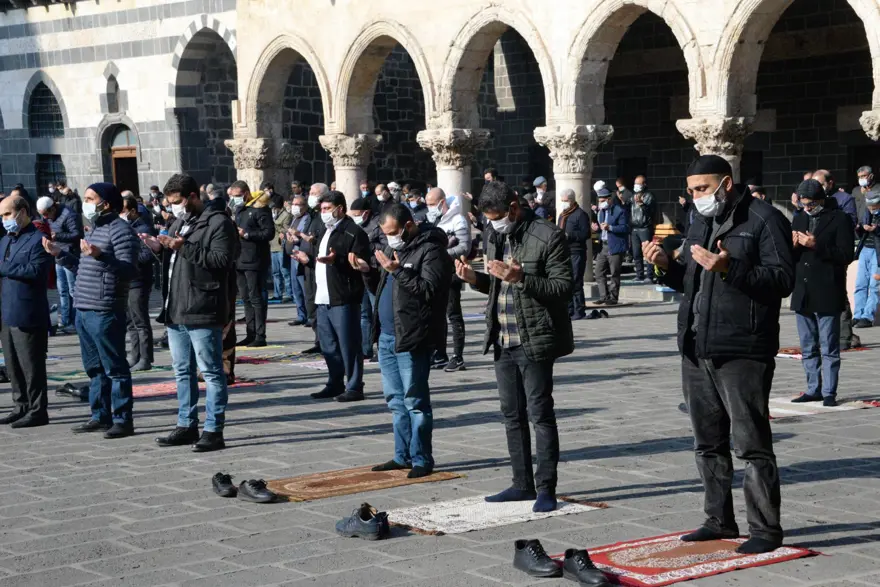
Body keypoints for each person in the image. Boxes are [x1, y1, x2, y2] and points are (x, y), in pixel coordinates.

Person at [643, 154, 794, 554]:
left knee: (751, 443)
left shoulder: (764, 219)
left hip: (743, 348)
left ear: (726, 184)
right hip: (697, 346)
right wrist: (664, 266)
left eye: (703, 189)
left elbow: (782, 278)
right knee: (707, 441)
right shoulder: (699, 221)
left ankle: (764, 528)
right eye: (691, 190)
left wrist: (731, 269)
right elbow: (691, 280)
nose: (696, 197)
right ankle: (718, 520)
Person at [455, 181, 573, 513]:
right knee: (511, 415)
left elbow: (564, 289)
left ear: (514, 207)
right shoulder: (494, 235)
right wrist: (474, 279)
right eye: (487, 219)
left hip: (534, 338)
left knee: (540, 415)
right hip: (502, 338)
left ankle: (546, 487)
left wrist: (521, 278)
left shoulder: (547, 235)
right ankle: (522, 484)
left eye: (497, 217)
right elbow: (495, 287)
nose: (493, 224)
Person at [352, 203, 452, 477]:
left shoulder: (431, 250)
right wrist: (367, 271)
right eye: (386, 234)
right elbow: (381, 288)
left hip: (412, 336)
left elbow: (430, 290)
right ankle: (402, 455)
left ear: (408, 226)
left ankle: (421, 459)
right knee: (395, 400)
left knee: (415, 400)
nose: (389, 238)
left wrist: (399, 271)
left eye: (393, 232)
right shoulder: (391, 248)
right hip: (386, 335)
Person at [145, 174, 237, 452]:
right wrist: (159, 249)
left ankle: (213, 430)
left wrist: (184, 247)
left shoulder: (219, 222)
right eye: (170, 203)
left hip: (203, 307)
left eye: (178, 202)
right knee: (182, 371)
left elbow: (221, 261)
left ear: (193, 197)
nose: (174, 207)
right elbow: (175, 262)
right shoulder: (179, 222)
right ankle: (186, 424)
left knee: (210, 371)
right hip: (176, 308)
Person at [44, 183, 139, 439]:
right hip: (84, 308)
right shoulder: (96, 229)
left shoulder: (120, 231)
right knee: (94, 368)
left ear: (105, 203)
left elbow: (129, 270)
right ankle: (100, 415)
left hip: (105, 309)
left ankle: (122, 419)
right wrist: (60, 255)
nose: (84, 202)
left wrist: (100, 256)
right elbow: (84, 268)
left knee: (115, 368)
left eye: (89, 198)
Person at [291, 191, 371, 401]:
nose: (323, 213)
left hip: (344, 296)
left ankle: (354, 386)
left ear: (340, 209)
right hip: (322, 296)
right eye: (322, 209)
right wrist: (307, 259)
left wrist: (338, 261)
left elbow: (360, 263)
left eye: (327, 209)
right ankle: (335, 382)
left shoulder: (353, 232)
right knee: (328, 345)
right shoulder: (323, 230)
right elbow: (320, 260)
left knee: (349, 344)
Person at [790, 180, 853, 407]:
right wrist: (794, 246)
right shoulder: (799, 218)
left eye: (811, 204)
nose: (807, 208)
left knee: (829, 345)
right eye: (803, 204)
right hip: (803, 290)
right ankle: (812, 388)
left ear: (820, 200)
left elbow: (845, 254)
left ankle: (829, 392)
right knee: (807, 345)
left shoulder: (839, 219)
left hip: (827, 288)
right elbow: (791, 256)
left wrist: (816, 244)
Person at [0, 195, 53, 428]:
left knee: (31, 365)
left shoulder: (38, 239)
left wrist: (4, 267)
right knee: (12, 364)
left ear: (22, 212)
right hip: (7, 310)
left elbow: (37, 271)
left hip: (28, 311)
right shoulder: (6, 240)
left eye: (8, 214)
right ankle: (19, 404)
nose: (4, 220)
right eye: (2, 216)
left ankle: (37, 410)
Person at [425, 188, 471, 372]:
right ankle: (439, 353)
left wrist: (440, 254)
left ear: (442, 202)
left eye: (431, 204)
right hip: (435, 273)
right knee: (436, 314)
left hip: (451, 273)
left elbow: (464, 247)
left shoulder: (457, 219)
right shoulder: (433, 220)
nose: (429, 208)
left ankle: (458, 356)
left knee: (453, 314)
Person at [231, 181, 274, 347]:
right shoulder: (241, 210)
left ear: (246, 193)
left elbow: (268, 233)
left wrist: (247, 234)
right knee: (246, 298)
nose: (235, 199)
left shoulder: (260, 209)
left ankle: (260, 335)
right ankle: (250, 333)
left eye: (237, 195)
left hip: (255, 260)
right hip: (240, 259)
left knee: (256, 298)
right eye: (232, 196)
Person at [36, 196, 82, 334]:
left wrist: (58, 236)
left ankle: (76, 322)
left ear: (53, 208)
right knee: (62, 291)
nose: (45, 217)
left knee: (73, 291)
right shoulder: (48, 216)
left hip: (70, 255)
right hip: (57, 256)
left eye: (46, 214)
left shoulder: (69, 215)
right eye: (42, 215)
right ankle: (66, 321)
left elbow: (77, 234)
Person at [120, 195, 156, 371]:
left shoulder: (143, 228)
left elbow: (147, 255)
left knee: (140, 320)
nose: (121, 214)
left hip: (139, 280)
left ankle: (146, 357)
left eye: (123, 210)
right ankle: (134, 355)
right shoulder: (125, 228)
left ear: (133, 211)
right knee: (130, 321)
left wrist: (127, 259)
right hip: (127, 280)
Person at [350, 197, 386, 362]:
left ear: (366, 213)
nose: (355, 217)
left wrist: (367, 247)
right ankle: (366, 348)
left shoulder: (379, 225)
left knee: (378, 312)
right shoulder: (354, 226)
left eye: (357, 214)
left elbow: (385, 246)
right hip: (360, 273)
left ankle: (382, 348)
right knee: (365, 314)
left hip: (375, 273)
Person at [557, 189, 590, 320]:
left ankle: (579, 310)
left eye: (565, 201)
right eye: (562, 201)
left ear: (571, 200)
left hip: (577, 252)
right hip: (565, 252)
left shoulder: (580, 214)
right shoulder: (563, 214)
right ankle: (569, 309)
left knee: (576, 281)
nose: (563, 203)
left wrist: (569, 235)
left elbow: (585, 234)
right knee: (567, 281)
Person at [593, 187, 629, 305]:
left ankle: (613, 297)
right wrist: (597, 229)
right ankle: (604, 295)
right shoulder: (601, 212)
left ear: (609, 200)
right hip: (603, 245)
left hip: (615, 245)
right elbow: (601, 228)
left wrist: (611, 228)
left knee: (614, 272)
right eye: (599, 200)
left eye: (602, 200)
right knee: (598, 271)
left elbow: (625, 228)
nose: (600, 203)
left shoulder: (620, 211)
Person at [286, 193, 314, 327]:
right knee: (295, 287)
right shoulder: (294, 219)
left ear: (305, 206)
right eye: (293, 204)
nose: (295, 207)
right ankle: (300, 314)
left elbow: (305, 236)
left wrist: (297, 236)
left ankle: (310, 316)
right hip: (293, 255)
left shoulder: (307, 218)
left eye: (298, 205)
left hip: (302, 254)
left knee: (304, 287)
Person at [854, 190, 880, 328]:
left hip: (877, 252)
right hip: (865, 249)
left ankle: (868, 316)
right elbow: (860, 235)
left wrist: (876, 229)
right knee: (860, 284)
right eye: (870, 206)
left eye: (875, 206)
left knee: (874, 286)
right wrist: (860, 228)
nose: (872, 209)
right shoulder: (867, 214)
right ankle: (857, 315)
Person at [270, 194, 293, 302]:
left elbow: (287, 229)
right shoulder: (271, 214)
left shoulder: (286, 215)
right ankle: (277, 293)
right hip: (272, 245)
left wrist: (276, 225)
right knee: (275, 272)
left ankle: (289, 293)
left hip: (281, 246)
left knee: (285, 271)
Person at [630, 188, 656, 282]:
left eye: (638, 183)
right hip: (634, 228)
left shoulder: (649, 196)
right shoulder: (632, 196)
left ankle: (649, 275)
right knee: (636, 253)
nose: (636, 186)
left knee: (648, 252)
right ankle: (639, 274)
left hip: (645, 227)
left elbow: (651, 211)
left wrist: (642, 204)